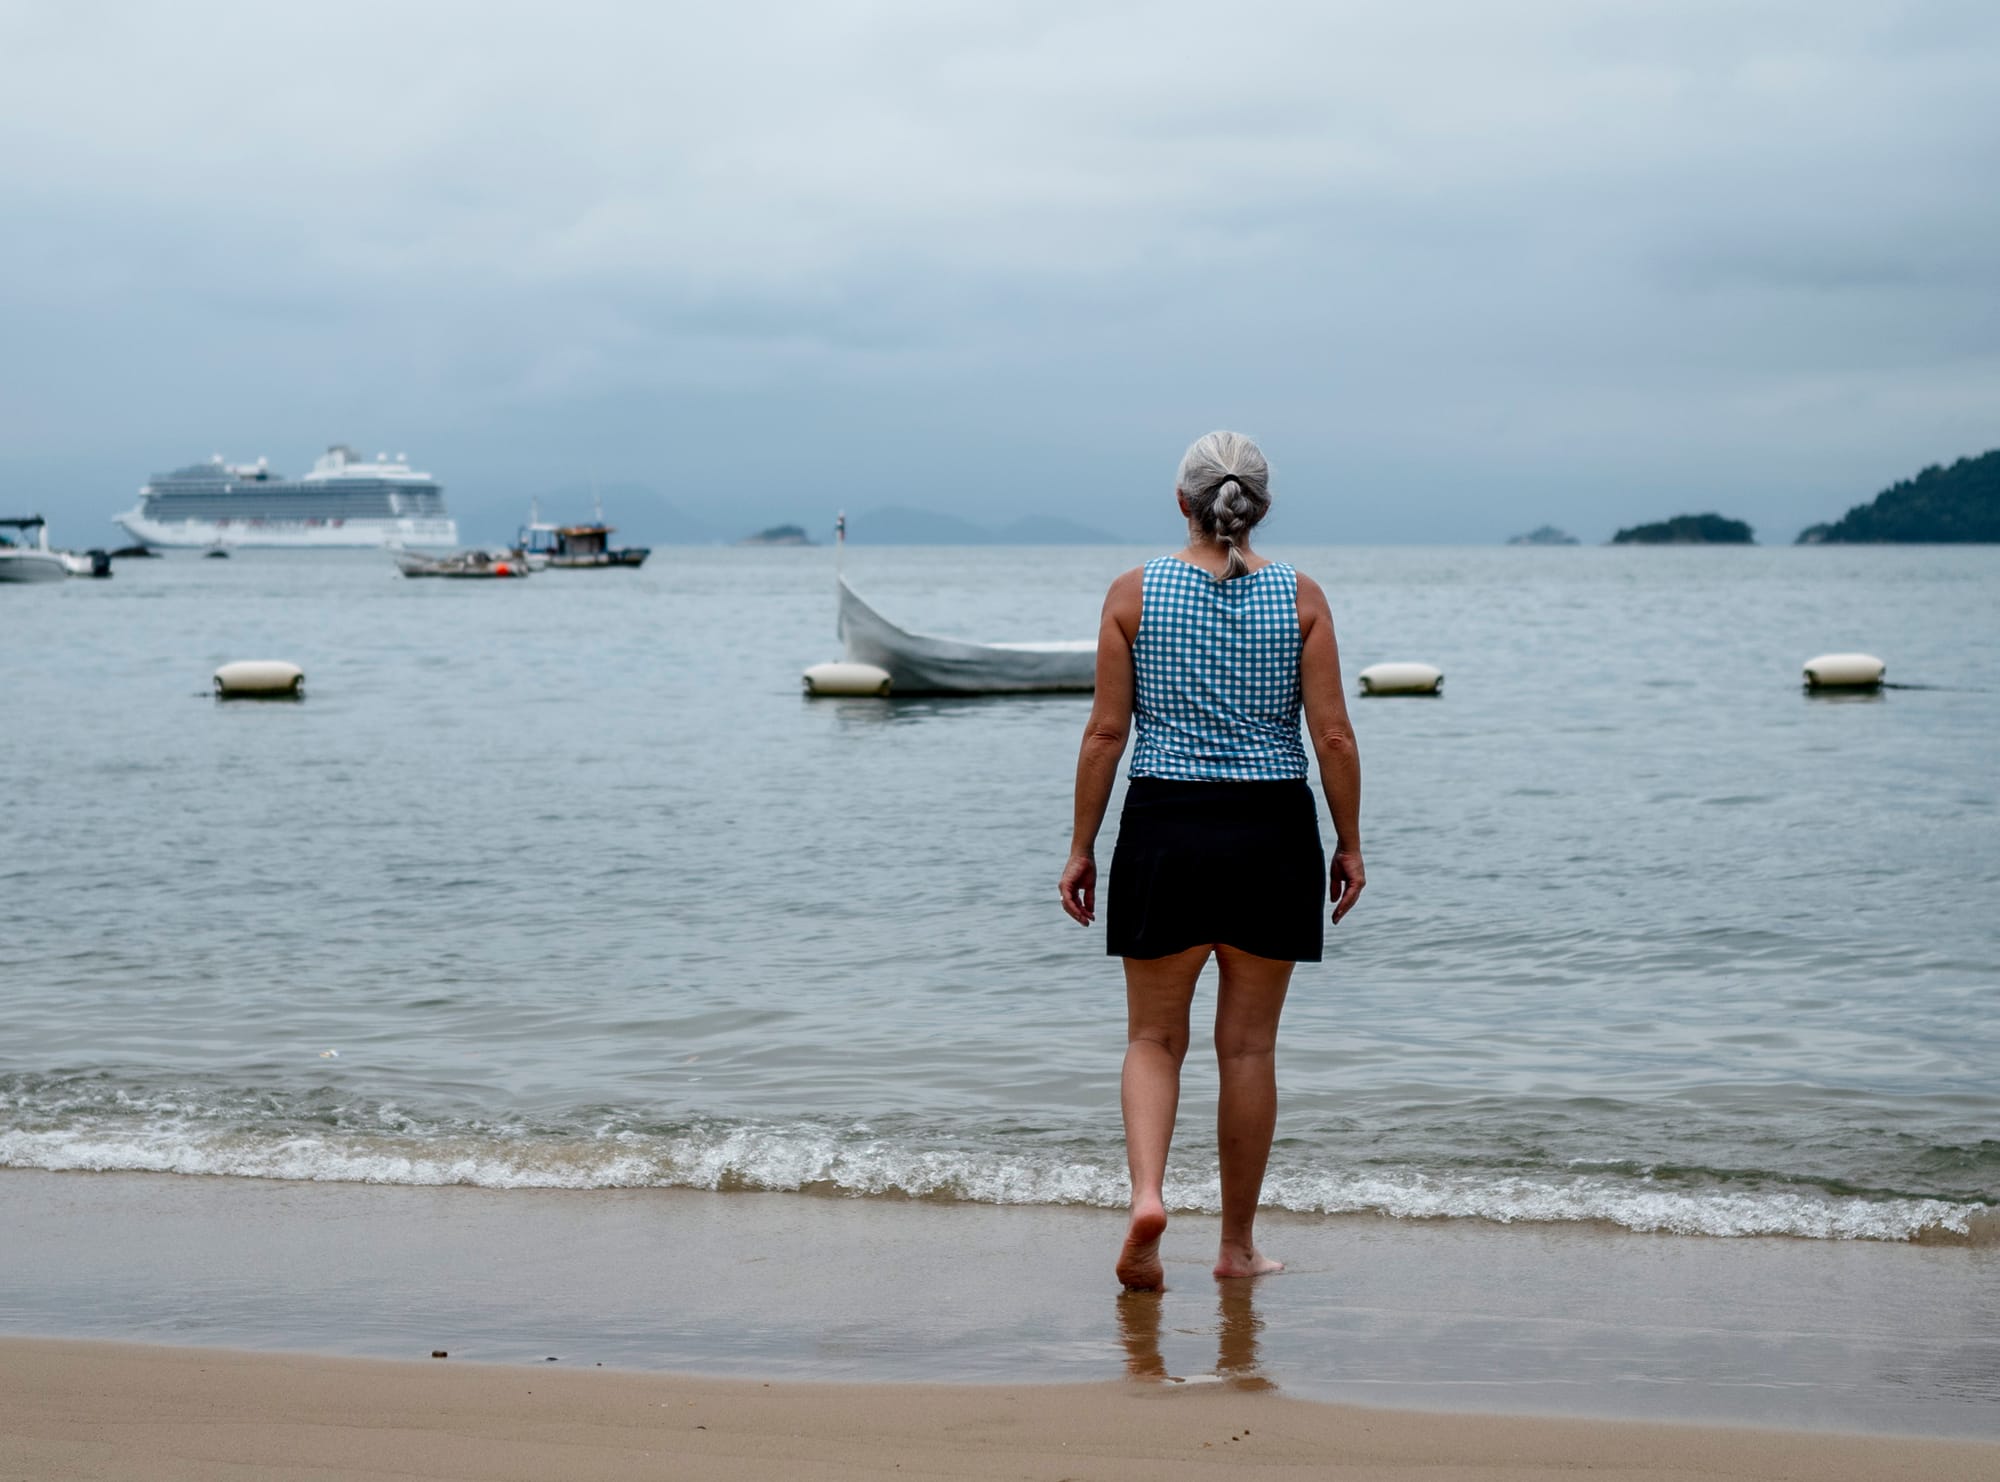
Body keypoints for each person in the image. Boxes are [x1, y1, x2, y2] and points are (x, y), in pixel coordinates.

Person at [1058, 430, 1364, 1290]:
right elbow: (1332, 734)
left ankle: (1149, 1197)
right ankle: (1235, 1248)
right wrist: (1349, 840)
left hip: (1164, 827)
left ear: (1183, 504)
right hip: (1271, 832)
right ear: (1259, 506)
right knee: (1248, 1051)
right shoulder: (1301, 598)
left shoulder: (1133, 593)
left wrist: (1082, 846)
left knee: (1154, 1038)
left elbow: (1106, 734)